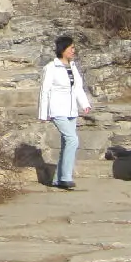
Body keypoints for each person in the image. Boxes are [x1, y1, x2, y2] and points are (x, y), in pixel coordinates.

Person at [37, 35, 93, 190]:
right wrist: (43, 113)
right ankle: (66, 177)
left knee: (67, 143)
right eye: (71, 48)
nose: (73, 51)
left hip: (71, 110)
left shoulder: (73, 66)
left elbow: (78, 88)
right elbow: (45, 91)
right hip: (57, 110)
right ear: (63, 49)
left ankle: (58, 179)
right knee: (72, 140)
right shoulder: (51, 67)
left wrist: (84, 104)